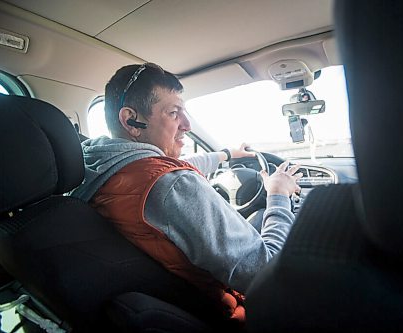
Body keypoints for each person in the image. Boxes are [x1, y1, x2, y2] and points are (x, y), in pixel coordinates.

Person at [70, 63, 302, 323]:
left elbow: (161, 170)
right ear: (131, 121)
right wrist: (278, 196)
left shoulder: (94, 169)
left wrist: (225, 155)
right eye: (173, 113)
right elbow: (263, 272)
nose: (187, 124)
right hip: (229, 313)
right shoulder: (175, 185)